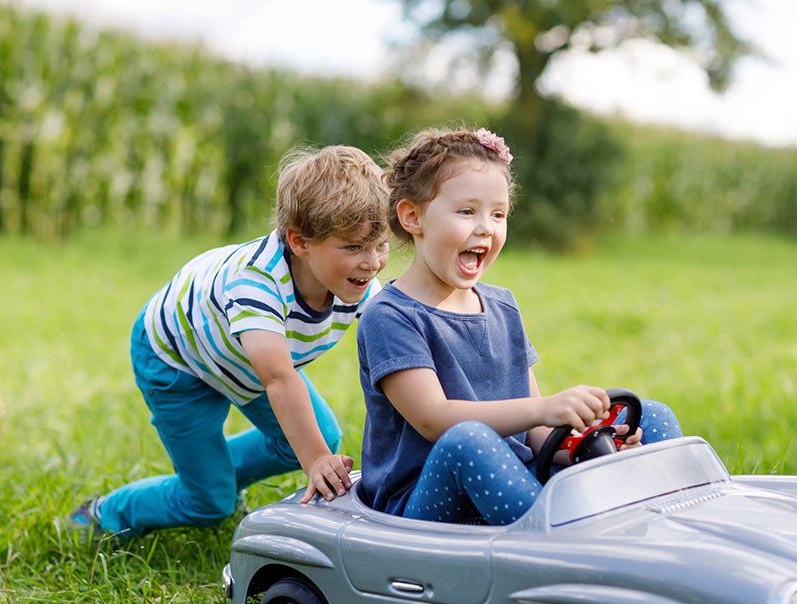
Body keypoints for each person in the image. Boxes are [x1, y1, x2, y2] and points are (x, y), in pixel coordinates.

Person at [356, 128, 682, 525]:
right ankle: (562, 541)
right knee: (467, 440)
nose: (486, 228)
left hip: (515, 480)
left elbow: (537, 438)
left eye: (498, 214)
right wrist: (544, 409)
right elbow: (433, 419)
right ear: (413, 216)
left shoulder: (502, 306)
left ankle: (663, 522)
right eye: (466, 212)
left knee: (651, 416)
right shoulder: (390, 315)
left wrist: (599, 448)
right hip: (424, 506)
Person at [70, 145, 390, 536]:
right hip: (177, 359)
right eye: (354, 246)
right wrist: (317, 460)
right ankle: (104, 513)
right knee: (209, 503)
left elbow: (394, 350)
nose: (372, 262)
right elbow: (278, 379)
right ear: (300, 242)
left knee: (317, 435)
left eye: (381, 245)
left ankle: (217, 473)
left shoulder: (358, 283)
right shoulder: (257, 282)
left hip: (241, 359)